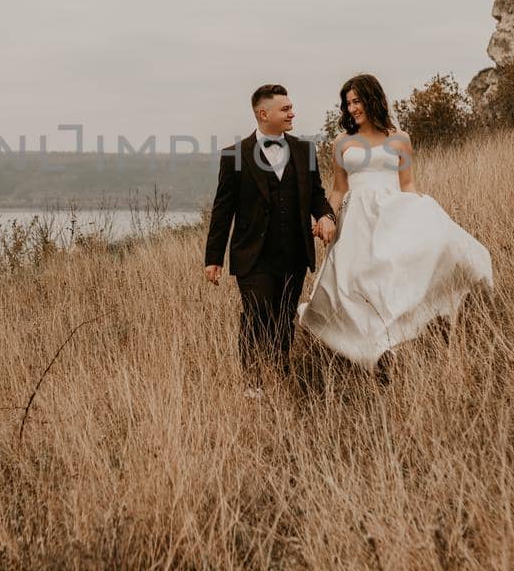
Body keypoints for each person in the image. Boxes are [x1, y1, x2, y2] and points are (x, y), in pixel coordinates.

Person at [297, 73, 493, 377]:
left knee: (393, 276)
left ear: (372, 99)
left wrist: (422, 210)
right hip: (357, 220)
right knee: (357, 283)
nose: (352, 108)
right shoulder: (342, 142)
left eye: (357, 101)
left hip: (393, 213)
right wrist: (326, 218)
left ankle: (395, 345)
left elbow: (408, 183)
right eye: (347, 103)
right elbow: (338, 189)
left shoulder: (400, 138)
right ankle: (370, 351)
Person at [204, 84, 337, 396]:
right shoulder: (234, 156)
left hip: (293, 251)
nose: (292, 113)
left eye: (291, 107)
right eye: (285, 109)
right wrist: (213, 258)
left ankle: (281, 369)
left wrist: (326, 216)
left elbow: (316, 193)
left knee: (284, 317)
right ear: (263, 114)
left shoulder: (305, 151)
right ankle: (253, 383)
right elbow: (223, 210)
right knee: (257, 312)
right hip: (252, 254)